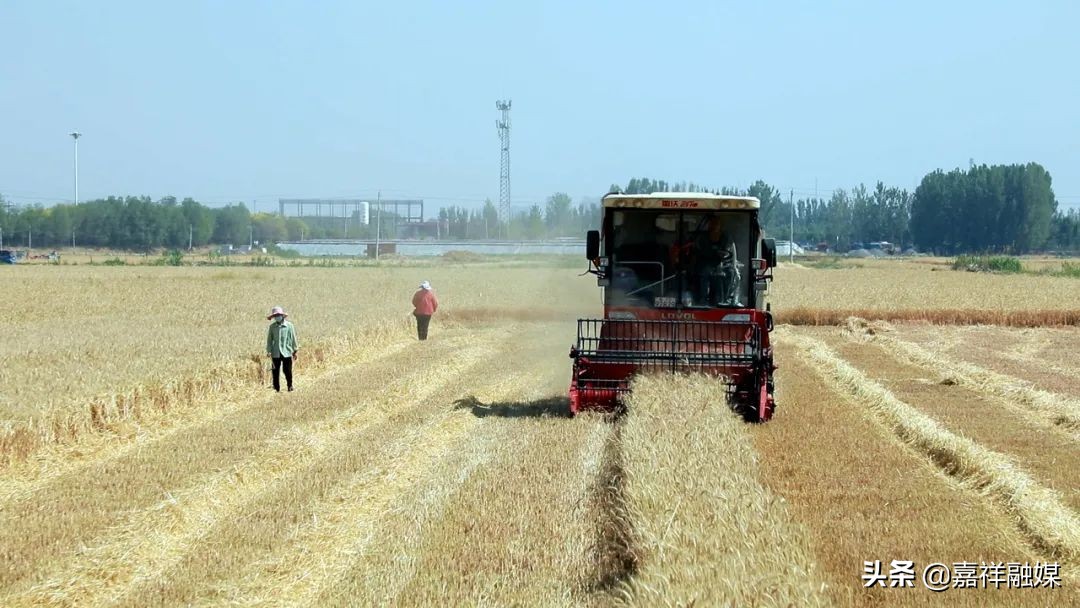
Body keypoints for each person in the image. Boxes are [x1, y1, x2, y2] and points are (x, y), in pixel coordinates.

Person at [694, 216, 741, 306]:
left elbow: (728, 249)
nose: (714, 226)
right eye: (712, 224)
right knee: (705, 272)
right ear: (709, 225)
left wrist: (723, 254)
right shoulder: (703, 237)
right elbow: (700, 250)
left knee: (730, 273)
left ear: (720, 226)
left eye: (716, 224)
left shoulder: (726, 237)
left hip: (725, 263)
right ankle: (703, 299)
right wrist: (714, 253)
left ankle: (726, 299)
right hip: (706, 263)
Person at [265, 305, 299, 392]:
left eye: (278, 315)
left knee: (287, 370)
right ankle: (276, 388)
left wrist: (295, 350)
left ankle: (290, 386)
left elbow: (293, 338)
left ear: (282, 315)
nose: (277, 317)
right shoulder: (272, 327)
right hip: (275, 352)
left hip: (287, 351)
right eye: (275, 316)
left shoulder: (289, 326)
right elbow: (269, 340)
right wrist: (269, 351)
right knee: (275, 371)